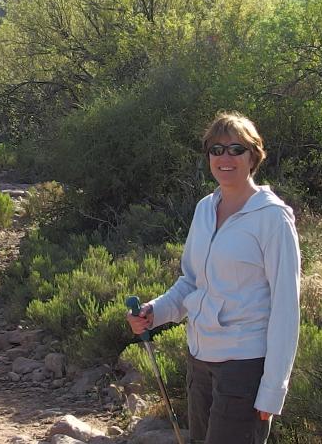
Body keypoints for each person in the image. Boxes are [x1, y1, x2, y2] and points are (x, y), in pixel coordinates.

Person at [126, 111, 300, 444]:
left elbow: (286, 309)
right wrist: (154, 312)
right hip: (200, 362)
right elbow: (192, 281)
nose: (225, 157)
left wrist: (273, 389)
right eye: (216, 149)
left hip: (245, 367)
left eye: (236, 149)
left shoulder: (272, 218)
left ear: (253, 156)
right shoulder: (205, 208)